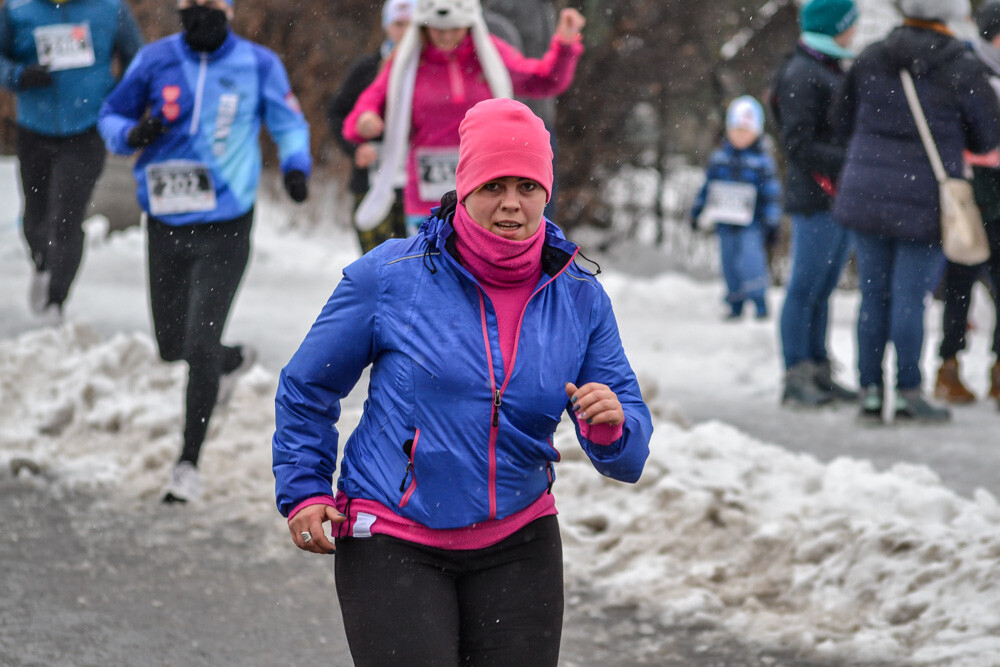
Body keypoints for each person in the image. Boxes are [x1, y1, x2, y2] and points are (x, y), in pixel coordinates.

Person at [273, 98, 652, 665]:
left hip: (519, 543)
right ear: (464, 189)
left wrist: (610, 428)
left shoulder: (579, 296)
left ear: (546, 193)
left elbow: (629, 455)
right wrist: (304, 486)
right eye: (493, 185)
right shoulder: (391, 276)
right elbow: (308, 387)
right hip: (394, 537)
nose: (510, 204)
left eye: (527, 186)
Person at [98, 0, 312, 502]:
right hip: (166, 222)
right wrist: (130, 133)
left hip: (227, 224)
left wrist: (296, 163)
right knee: (172, 345)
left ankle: (187, 465)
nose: (201, 13)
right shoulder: (154, 60)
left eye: (212, 5)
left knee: (198, 343)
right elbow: (112, 113)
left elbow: (288, 121)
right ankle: (229, 361)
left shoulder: (258, 64)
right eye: (192, 5)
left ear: (229, 11)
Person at [832, 0, 1000, 423]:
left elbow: (839, 118)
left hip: (866, 193)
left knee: (873, 296)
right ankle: (908, 391)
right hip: (923, 197)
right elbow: (986, 138)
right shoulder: (961, 65)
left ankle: (870, 391)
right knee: (910, 299)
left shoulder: (871, 56)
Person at [342, 0, 584, 237]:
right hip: (427, 192)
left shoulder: (490, 53)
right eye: (438, 30)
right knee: (433, 266)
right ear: (424, 27)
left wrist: (565, 44)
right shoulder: (405, 61)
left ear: (470, 24)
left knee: (481, 268)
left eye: (455, 29)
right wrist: (365, 120)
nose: (446, 38)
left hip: (486, 186)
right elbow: (363, 108)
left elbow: (543, 80)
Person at [0, 0, 143, 324]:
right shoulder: (17, 9)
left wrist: (117, 99)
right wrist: (18, 75)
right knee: (35, 219)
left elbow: (137, 59)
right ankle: (41, 262)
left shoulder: (110, 9)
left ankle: (56, 301)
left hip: (86, 130)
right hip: (34, 128)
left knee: (66, 217)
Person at [769, 0, 858, 408]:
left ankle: (819, 368)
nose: (854, 32)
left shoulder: (827, 66)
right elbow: (798, 144)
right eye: (850, 24)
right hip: (815, 198)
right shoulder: (803, 72)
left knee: (823, 289)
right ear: (834, 26)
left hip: (836, 196)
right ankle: (796, 373)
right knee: (805, 288)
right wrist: (852, 160)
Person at [933, 1, 1000, 408]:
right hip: (971, 191)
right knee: (960, 280)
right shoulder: (966, 69)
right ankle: (948, 364)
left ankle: (998, 368)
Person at [326, 0, 413, 254]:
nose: (405, 32)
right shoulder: (367, 68)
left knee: (420, 264)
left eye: (411, 25)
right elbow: (336, 111)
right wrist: (355, 149)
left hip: (414, 184)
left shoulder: (429, 68)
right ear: (387, 26)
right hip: (372, 180)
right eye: (399, 24)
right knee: (377, 264)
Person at [690, 95, 781, 321]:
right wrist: (696, 211)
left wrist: (772, 222)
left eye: (746, 131)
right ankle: (735, 302)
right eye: (736, 129)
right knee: (728, 263)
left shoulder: (763, 163)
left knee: (752, 262)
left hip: (752, 224)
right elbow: (707, 189)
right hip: (725, 222)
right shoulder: (719, 159)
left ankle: (759, 302)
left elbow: (771, 194)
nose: (740, 136)